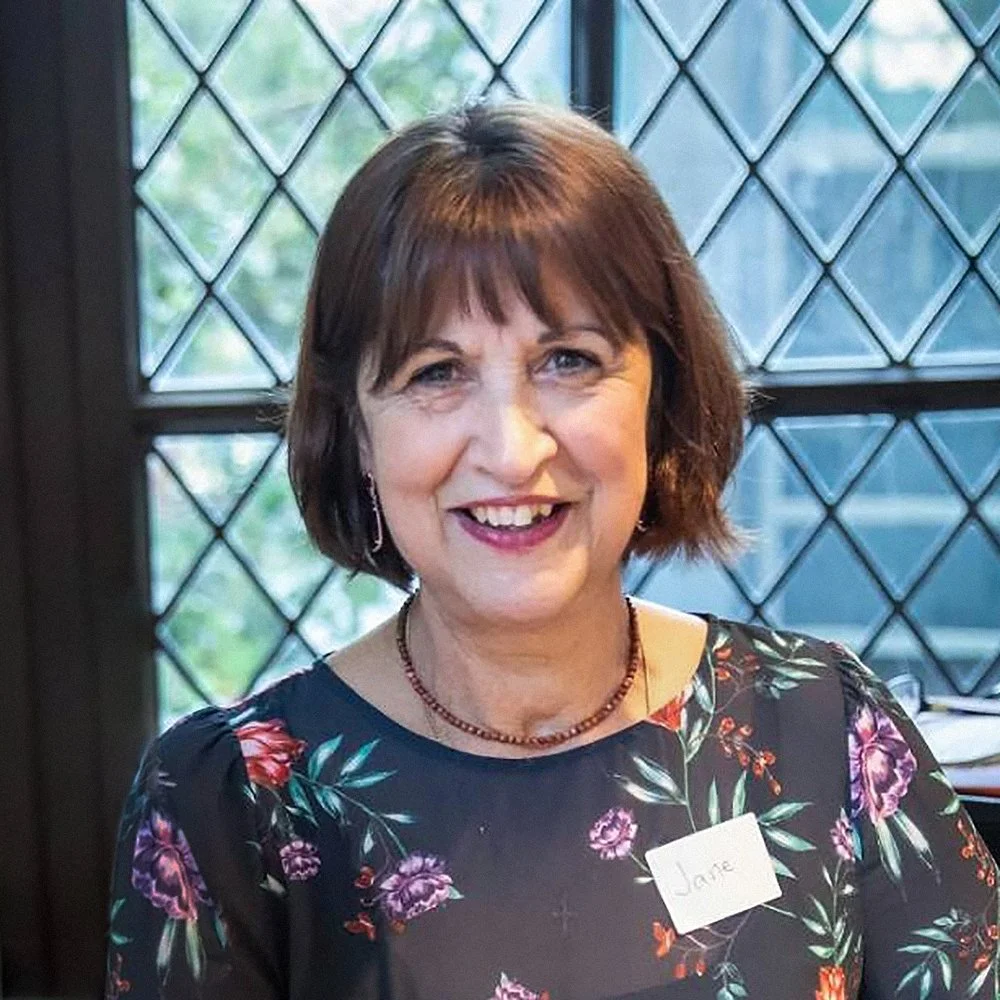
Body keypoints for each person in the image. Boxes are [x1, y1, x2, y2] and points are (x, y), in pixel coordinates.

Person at [105, 102, 999, 1000]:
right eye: (436, 373)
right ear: (357, 434)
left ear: (661, 396)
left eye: (568, 360)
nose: (514, 448)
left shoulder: (822, 726)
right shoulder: (230, 802)